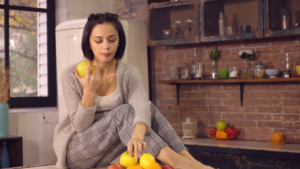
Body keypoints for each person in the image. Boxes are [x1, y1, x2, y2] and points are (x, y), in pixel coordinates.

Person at [53, 12, 214, 169]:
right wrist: (88, 91)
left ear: (119, 41)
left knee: (147, 107)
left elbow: (142, 108)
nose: (106, 46)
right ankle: (181, 163)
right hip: (77, 152)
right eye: (98, 41)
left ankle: (192, 162)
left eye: (112, 40)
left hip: (107, 154)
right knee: (123, 111)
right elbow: (80, 126)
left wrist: (137, 135)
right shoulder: (71, 75)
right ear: (88, 43)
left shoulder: (129, 72)